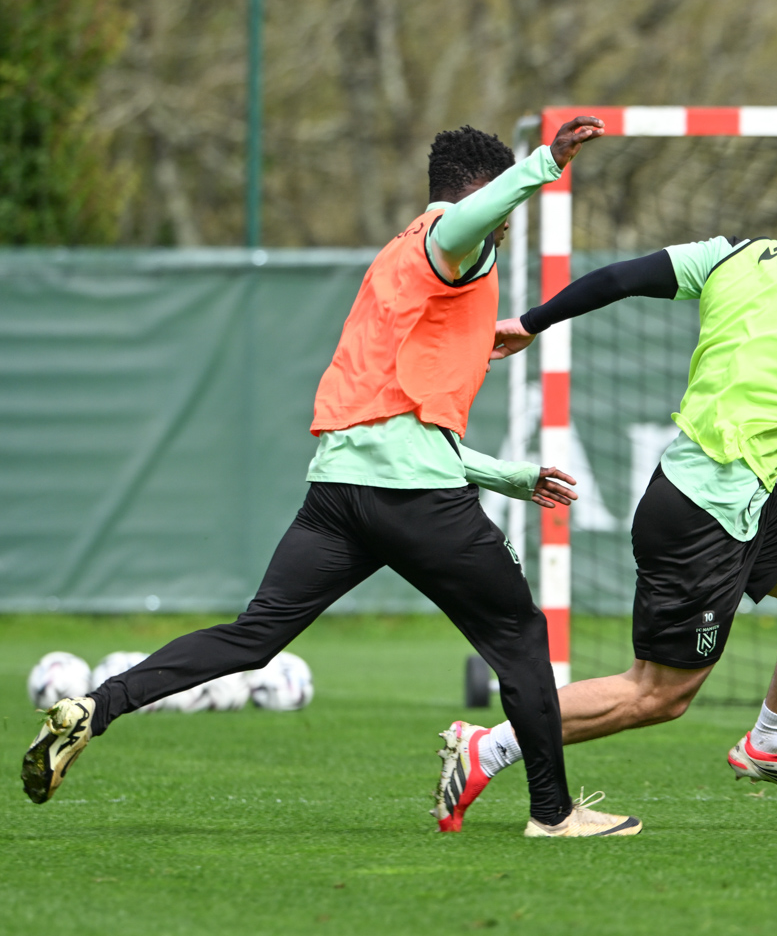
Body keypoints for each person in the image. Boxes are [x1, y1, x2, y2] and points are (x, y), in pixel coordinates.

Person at [22, 118, 642, 838]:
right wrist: (544, 165)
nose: (504, 226)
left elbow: (394, 420)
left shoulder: (395, 257)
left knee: (254, 635)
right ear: (481, 191)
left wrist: (505, 475)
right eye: (498, 204)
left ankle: (95, 706)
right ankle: (553, 813)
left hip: (340, 492)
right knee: (521, 636)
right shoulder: (452, 238)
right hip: (415, 497)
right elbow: (469, 223)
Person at [429, 162, 777, 831]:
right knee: (658, 695)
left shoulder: (742, 251)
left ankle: (770, 741)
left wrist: (532, 321)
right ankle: (488, 747)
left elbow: (622, 278)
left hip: (737, 493)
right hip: (706, 513)